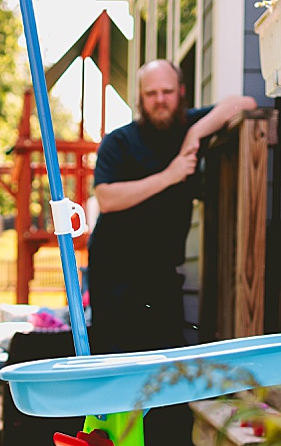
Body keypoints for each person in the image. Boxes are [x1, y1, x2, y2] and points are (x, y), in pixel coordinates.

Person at [88, 60, 256, 354]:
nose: (160, 100)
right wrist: (170, 175)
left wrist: (195, 134)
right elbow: (107, 198)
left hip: (161, 270)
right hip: (115, 270)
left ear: (181, 92)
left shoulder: (188, 127)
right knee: (114, 358)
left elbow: (244, 102)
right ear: (140, 98)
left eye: (167, 91)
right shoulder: (119, 142)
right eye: (151, 93)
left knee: (165, 359)